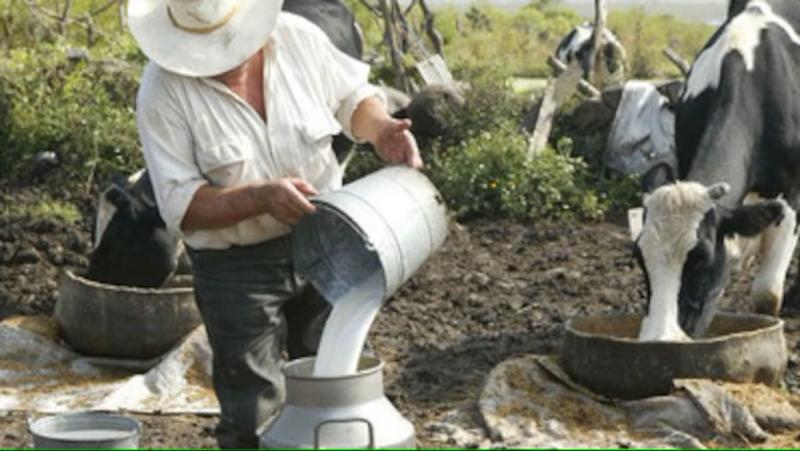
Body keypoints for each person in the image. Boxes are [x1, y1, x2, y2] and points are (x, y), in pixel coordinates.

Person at [127, 0, 423, 447]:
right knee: (254, 408)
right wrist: (259, 198)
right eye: (207, 50)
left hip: (326, 239)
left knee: (340, 387)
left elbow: (352, 99)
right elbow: (180, 206)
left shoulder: (298, 38)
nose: (223, 59)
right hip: (235, 268)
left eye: (230, 43)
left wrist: (382, 129)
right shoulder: (163, 89)